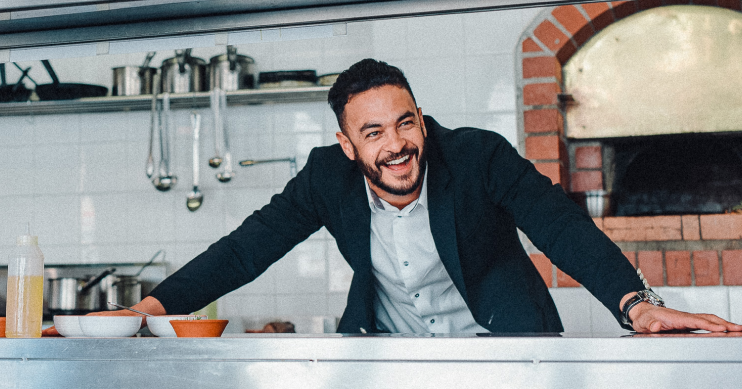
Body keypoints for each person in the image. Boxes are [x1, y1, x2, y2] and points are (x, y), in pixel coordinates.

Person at [48, 59, 741, 335]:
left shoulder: (475, 156)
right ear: (348, 145)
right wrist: (151, 305)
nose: (397, 143)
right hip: (390, 361)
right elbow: (247, 248)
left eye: (405, 122)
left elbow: (559, 224)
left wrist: (636, 304)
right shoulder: (326, 177)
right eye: (374, 132)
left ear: (420, 118)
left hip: (504, 352)